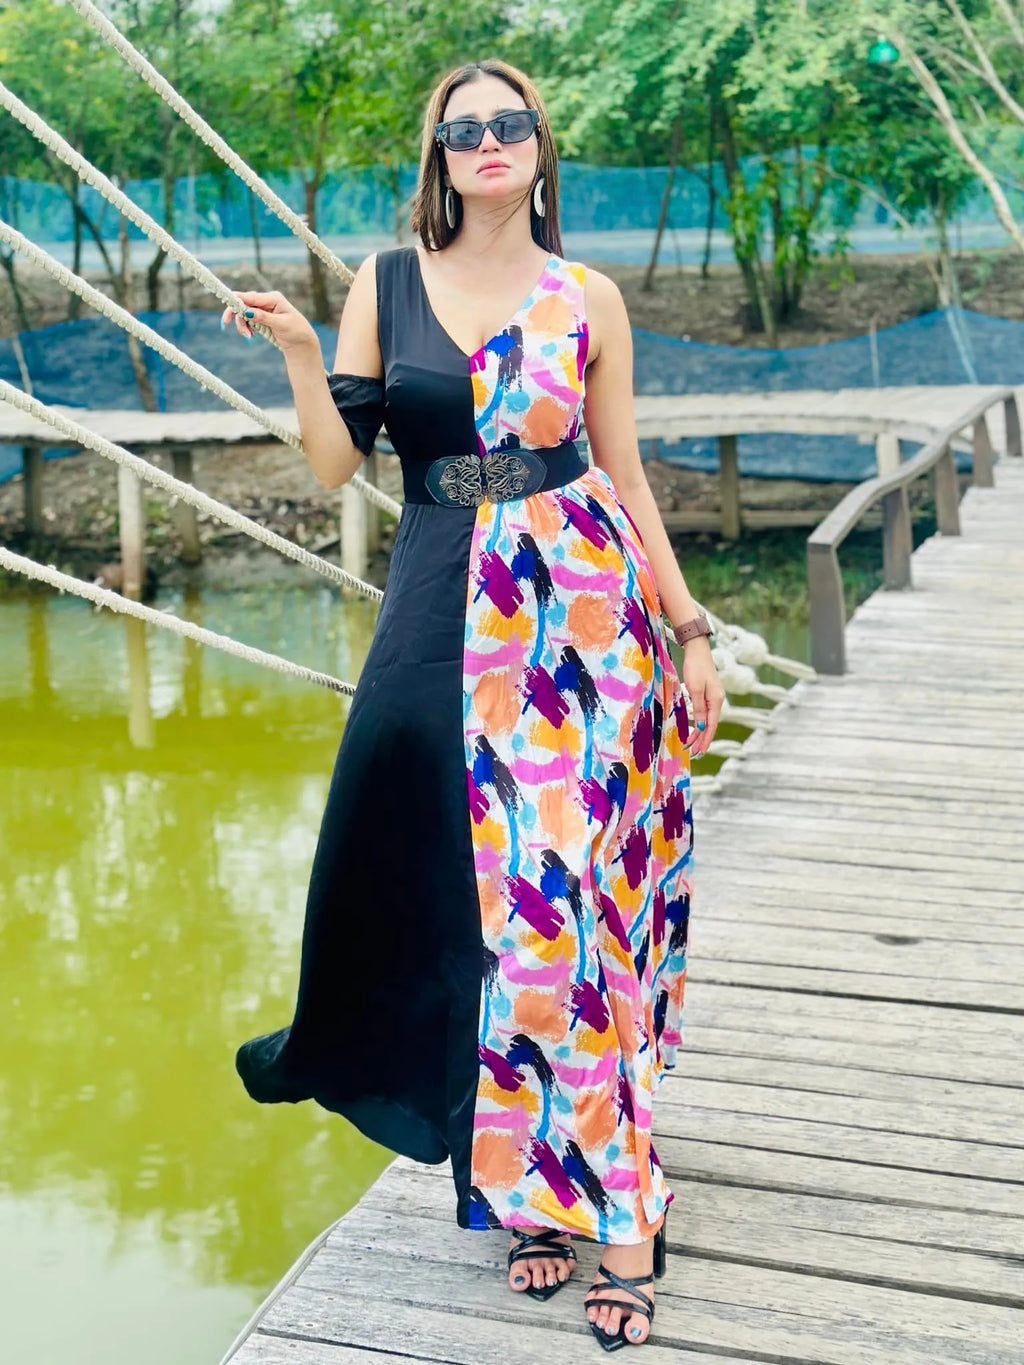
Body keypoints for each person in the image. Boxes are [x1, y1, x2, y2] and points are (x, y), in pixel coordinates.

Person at [224, 58, 724, 1352]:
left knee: (571, 905)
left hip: (588, 617)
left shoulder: (587, 296)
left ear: (541, 149)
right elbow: (343, 465)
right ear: (439, 158)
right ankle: (521, 1184)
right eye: (465, 129)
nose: (490, 140)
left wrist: (690, 627)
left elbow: (622, 470)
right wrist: (295, 348)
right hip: (447, 603)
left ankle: (624, 1203)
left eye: (511, 124)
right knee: (479, 908)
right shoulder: (385, 288)